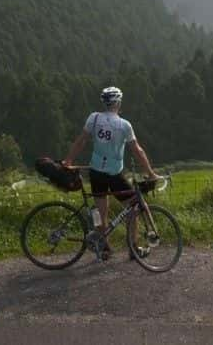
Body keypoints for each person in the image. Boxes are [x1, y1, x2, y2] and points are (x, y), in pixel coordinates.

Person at [63, 86, 160, 260]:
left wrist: (68, 161)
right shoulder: (124, 125)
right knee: (134, 208)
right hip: (115, 174)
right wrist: (151, 173)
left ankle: (105, 248)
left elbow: (80, 141)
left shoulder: (94, 118)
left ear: (104, 103)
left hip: (96, 172)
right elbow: (137, 151)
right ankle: (134, 249)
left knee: (101, 213)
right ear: (118, 103)